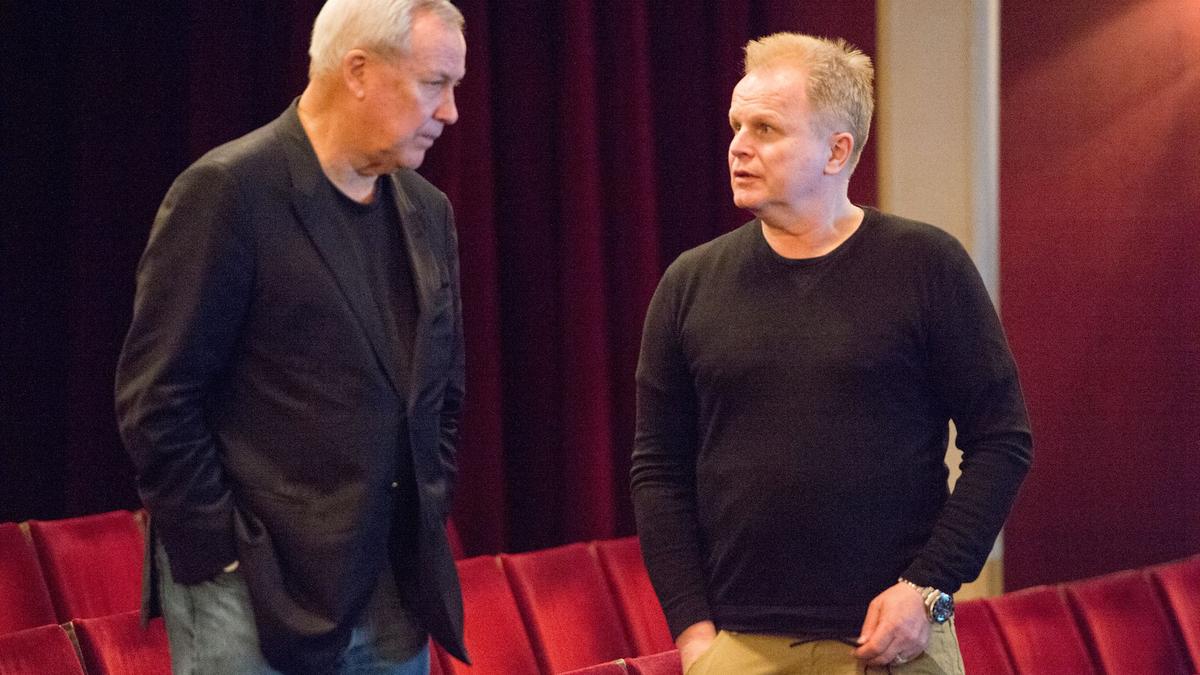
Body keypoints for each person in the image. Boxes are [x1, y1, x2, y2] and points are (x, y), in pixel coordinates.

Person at [631, 32, 1032, 675]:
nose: (738, 145)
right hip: (738, 647)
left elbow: (1003, 439)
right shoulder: (689, 283)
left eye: (766, 128)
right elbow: (657, 468)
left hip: (897, 641)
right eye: (737, 124)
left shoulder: (925, 265)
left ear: (836, 150)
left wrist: (927, 590)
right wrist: (694, 636)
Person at [114, 1, 468, 673]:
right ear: (358, 71)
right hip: (250, 589)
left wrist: (425, 504)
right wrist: (220, 551)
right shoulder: (229, 192)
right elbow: (157, 397)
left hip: (392, 588)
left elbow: (441, 391)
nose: (450, 111)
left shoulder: (428, 211)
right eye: (434, 83)